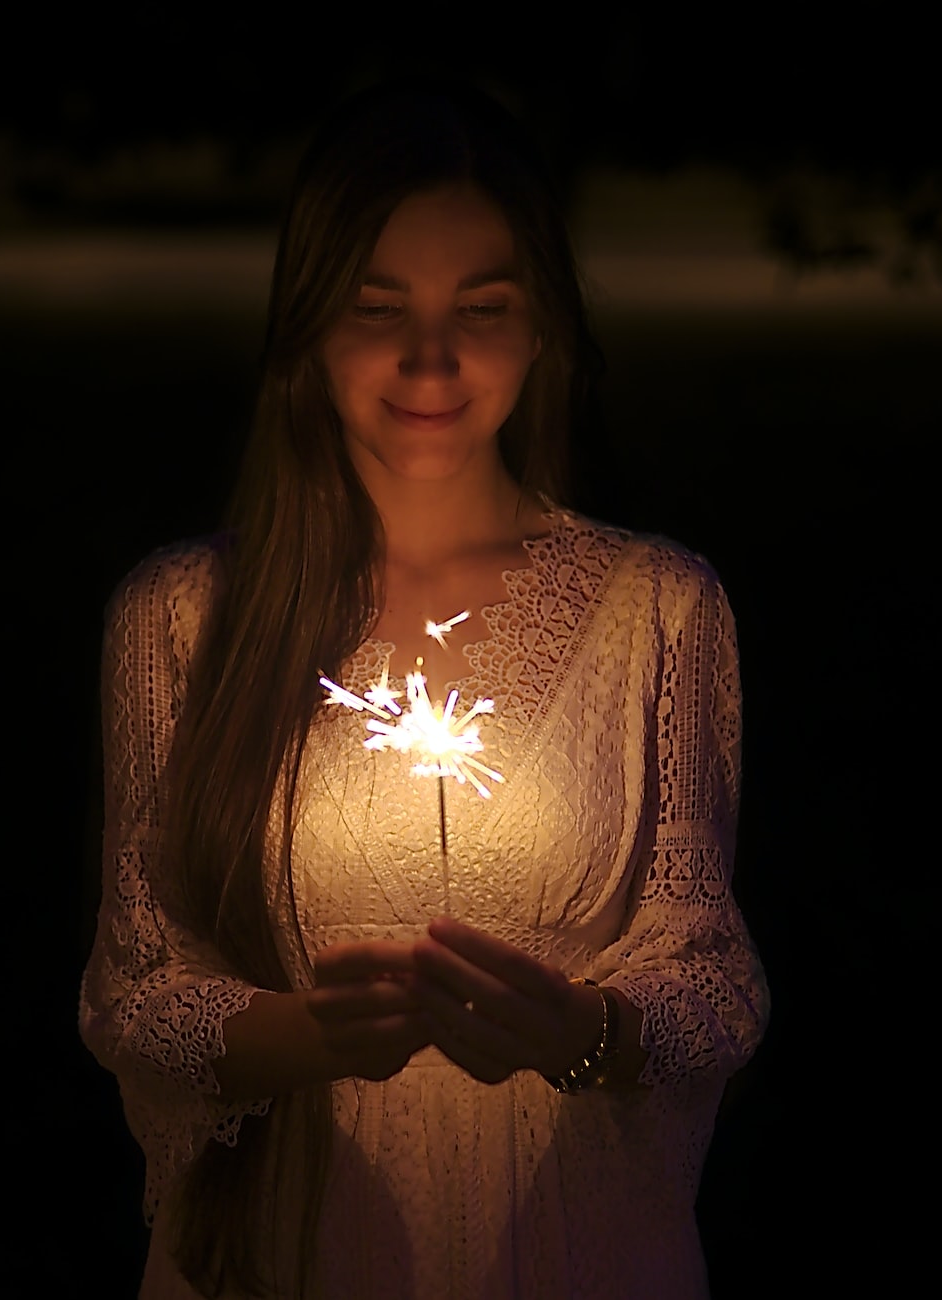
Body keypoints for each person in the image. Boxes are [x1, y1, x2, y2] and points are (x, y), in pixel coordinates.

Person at [80, 79, 769, 1299]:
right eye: (377, 306)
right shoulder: (184, 621)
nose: (430, 358)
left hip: (573, 1246)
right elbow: (135, 991)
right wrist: (299, 1036)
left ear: (544, 324)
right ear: (307, 327)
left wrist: (584, 1032)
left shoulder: (659, 610)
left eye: (482, 308)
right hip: (282, 1247)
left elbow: (711, 977)